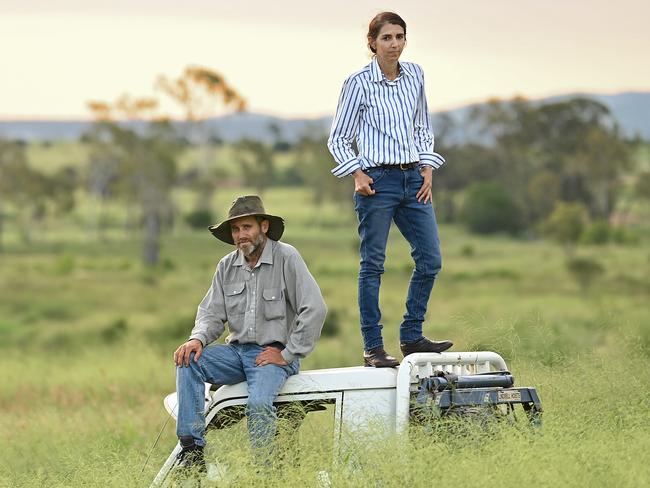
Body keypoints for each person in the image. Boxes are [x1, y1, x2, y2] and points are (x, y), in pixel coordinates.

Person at [327, 12, 453, 368]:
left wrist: (427, 167)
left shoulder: (416, 75)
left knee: (431, 260)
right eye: (386, 38)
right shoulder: (358, 83)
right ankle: (373, 348)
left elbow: (422, 126)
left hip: (414, 178)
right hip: (376, 184)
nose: (394, 44)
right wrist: (357, 175)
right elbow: (338, 138)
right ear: (372, 43)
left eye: (400, 37)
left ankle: (412, 336)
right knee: (373, 265)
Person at [172, 195, 327, 471]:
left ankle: (263, 472)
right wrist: (196, 338)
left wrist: (288, 353)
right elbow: (211, 313)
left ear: (263, 227)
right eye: (235, 230)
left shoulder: (287, 257)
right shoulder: (226, 266)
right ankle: (192, 451)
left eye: (246, 227)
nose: (241, 235)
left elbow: (314, 309)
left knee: (257, 405)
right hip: (235, 353)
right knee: (188, 360)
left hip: (272, 355)